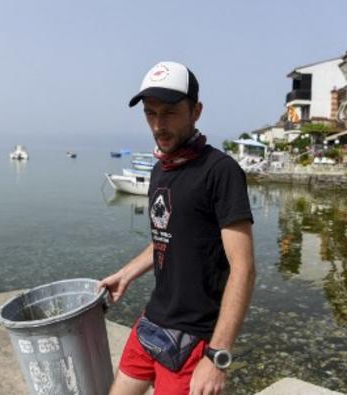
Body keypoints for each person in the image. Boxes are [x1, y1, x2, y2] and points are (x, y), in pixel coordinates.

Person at [100, 61, 256, 395]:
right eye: (150, 113)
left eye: (169, 112)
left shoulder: (221, 172)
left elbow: (243, 268)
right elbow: (165, 237)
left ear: (196, 111)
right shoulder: (161, 170)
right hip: (152, 321)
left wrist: (217, 357)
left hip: (195, 339)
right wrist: (126, 274)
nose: (158, 125)